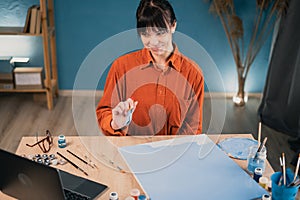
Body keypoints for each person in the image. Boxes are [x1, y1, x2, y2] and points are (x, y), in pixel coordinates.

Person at [96, 0, 204, 136]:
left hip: (175, 153)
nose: (153, 42)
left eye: (160, 33)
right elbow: (104, 113)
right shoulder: (121, 67)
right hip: (130, 152)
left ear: (173, 26)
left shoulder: (193, 73)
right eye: (146, 34)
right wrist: (116, 123)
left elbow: (192, 128)